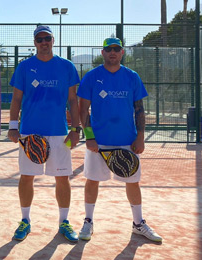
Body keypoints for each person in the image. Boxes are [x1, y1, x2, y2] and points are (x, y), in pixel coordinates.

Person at [77, 37, 162, 242]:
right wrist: (89, 137)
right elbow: (82, 109)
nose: (112, 52)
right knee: (93, 181)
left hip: (128, 140)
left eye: (116, 49)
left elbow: (139, 109)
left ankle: (138, 223)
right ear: (103, 52)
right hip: (98, 142)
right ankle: (88, 221)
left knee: (133, 182)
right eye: (109, 49)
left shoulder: (132, 77)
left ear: (122, 52)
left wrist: (140, 137)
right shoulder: (92, 77)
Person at [7, 25, 81, 242]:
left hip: (59, 133)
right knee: (27, 177)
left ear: (53, 40)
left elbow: (73, 101)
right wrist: (13, 127)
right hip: (30, 133)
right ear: (35, 43)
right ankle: (25, 220)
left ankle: (64, 222)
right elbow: (16, 100)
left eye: (47, 38)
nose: (43, 42)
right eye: (39, 39)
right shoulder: (24, 67)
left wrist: (76, 130)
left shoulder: (66, 67)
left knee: (62, 178)